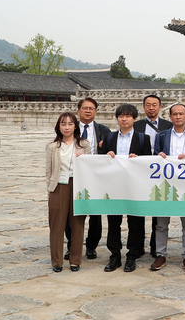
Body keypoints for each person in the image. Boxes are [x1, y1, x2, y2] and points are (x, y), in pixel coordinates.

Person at [150, 104, 185, 273]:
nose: (178, 117)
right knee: (161, 223)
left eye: (181, 114)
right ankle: (161, 254)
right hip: (165, 184)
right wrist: (159, 157)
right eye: (175, 114)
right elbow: (154, 157)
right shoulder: (161, 135)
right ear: (170, 117)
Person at [103, 104, 153, 273]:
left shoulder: (142, 138)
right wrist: (107, 155)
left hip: (134, 186)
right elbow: (100, 161)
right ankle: (115, 254)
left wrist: (138, 159)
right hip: (114, 186)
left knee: (135, 221)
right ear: (117, 118)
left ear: (134, 119)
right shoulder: (110, 138)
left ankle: (132, 255)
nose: (124, 119)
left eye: (128, 116)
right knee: (113, 221)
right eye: (121, 116)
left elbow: (147, 162)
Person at [64, 97, 111, 261]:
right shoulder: (70, 128)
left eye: (91, 108)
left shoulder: (104, 130)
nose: (88, 111)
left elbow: (109, 152)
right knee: (72, 212)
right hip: (73, 175)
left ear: (96, 111)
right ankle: (72, 246)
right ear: (78, 110)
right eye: (85, 108)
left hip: (96, 177)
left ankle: (91, 246)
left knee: (95, 214)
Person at [46, 112, 89, 272]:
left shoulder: (84, 144)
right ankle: (56, 261)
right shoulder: (52, 146)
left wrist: (82, 157)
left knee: (77, 224)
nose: (67, 127)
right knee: (56, 225)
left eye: (70, 124)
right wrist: (50, 188)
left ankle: (75, 260)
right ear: (58, 127)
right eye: (63, 124)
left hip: (78, 185)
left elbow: (90, 166)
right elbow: (48, 171)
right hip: (58, 186)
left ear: (75, 126)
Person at [134, 95, 173, 258]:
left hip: (161, 174)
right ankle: (136, 247)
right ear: (143, 107)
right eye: (148, 105)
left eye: (154, 105)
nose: (151, 108)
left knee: (159, 211)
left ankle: (155, 247)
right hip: (140, 172)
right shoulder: (136, 125)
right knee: (138, 210)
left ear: (160, 107)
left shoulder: (168, 125)